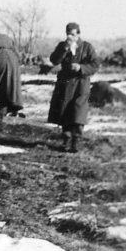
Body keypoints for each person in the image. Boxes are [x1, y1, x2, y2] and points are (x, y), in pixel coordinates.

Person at [47, 22, 98, 153]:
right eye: (68, 34)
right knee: (65, 110)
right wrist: (65, 49)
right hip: (65, 83)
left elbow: (95, 64)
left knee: (78, 111)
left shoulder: (87, 47)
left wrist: (81, 67)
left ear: (78, 34)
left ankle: (76, 142)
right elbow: (54, 60)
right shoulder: (62, 46)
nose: (71, 37)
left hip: (81, 84)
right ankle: (66, 140)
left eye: (73, 34)